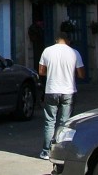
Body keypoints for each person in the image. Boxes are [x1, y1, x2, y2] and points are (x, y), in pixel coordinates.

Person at [38, 31, 85, 160]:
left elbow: (41, 72)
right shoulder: (74, 53)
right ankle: (62, 152)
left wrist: (53, 72)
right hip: (68, 91)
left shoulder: (47, 51)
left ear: (56, 40)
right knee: (65, 123)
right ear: (67, 40)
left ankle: (46, 151)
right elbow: (81, 74)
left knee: (50, 122)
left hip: (51, 90)